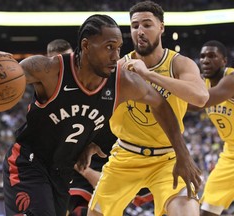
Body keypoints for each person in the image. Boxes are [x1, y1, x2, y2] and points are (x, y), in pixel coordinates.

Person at [0, 14, 201, 216]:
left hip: (62, 171)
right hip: (28, 164)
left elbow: (161, 105)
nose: (115, 56)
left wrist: (183, 155)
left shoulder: (122, 81)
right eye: (109, 47)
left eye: (118, 48)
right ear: (86, 46)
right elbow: (9, 71)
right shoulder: (49, 69)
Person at [88, 1, 209, 216]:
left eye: (147, 25)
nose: (140, 31)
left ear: (161, 27)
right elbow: (96, 107)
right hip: (126, 156)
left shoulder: (178, 64)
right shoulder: (118, 67)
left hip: (169, 157)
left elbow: (200, 97)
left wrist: (148, 75)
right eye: (135, 26)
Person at [188, 40, 234, 216]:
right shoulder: (201, 84)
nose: (206, 60)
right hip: (230, 154)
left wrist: (159, 94)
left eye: (212, 56)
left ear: (224, 61)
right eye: (202, 56)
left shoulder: (231, 80)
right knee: (207, 210)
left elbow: (199, 103)